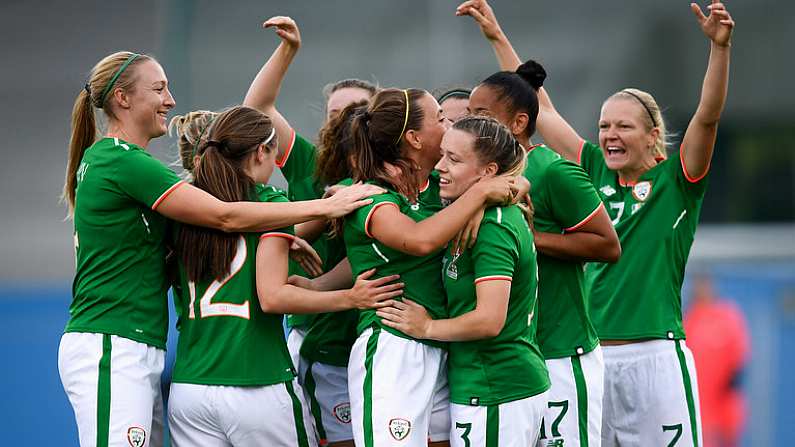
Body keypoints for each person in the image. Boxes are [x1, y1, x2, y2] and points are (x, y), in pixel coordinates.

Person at [58, 51, 381, 447]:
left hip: (179, 375)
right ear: (122, 98)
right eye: (159, 88)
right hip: (123, 343)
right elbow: (227, 219)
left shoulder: (116, 164)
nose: (170, 100)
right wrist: (326, 207)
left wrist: (285, 234)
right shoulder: (127, 163)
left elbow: (225, 222)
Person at [464, 0, 734, 444]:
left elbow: (708, 115)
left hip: (655, 356)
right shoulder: (592, 170)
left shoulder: (677, 179)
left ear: (652, 135)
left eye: (623, 127)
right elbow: (540, 111)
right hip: (593, 358)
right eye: (604, 125)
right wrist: (497, 36)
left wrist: (719, 49)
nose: (609, 135)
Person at [166, 105, 404, 447]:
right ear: (262, 151)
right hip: (257, 381)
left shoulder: (185, 208)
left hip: (189, 389)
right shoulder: (267, 201)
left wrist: (301, 228)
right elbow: (274, 297)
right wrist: (350, 298)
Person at [457, 2, 622, 445]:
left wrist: (532, 239)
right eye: (469, 114)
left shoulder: (552, 171)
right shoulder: (479, 175)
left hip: (562, 353)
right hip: (516, 359)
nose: (473, 123)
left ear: (519, 122)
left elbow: (607, 245)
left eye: (484, 116)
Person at [337, 87, 517, 447]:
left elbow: (516, 180)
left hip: (440, 344)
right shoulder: (372, 196)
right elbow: (419, 241)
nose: (447, 122)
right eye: (438, 118)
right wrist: (480, 195)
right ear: (414, 139)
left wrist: (483, 192)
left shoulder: (440, 186)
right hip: (394, 345)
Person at [241, 17, 379, 446]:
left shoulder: (394, 174)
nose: (345, 123)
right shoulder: (309, 162)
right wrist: (288, 51)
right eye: (336, 114)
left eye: (358, 113)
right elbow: (257, 108)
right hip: (325, 339)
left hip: (382, 334)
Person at [377, 115, 551, 446]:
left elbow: (489, 320)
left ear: (488, 173)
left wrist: (427, 328)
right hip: (492, 384)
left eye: (454, 159)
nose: (440, 166)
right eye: (442, 154)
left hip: (497, 386)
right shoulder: (470, 214)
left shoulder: (492, 228)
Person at [684, 275, 749, 447]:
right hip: (700, 407)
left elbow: (739, 362)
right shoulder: (690, 319)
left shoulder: (728, 315)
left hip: (724, 407)